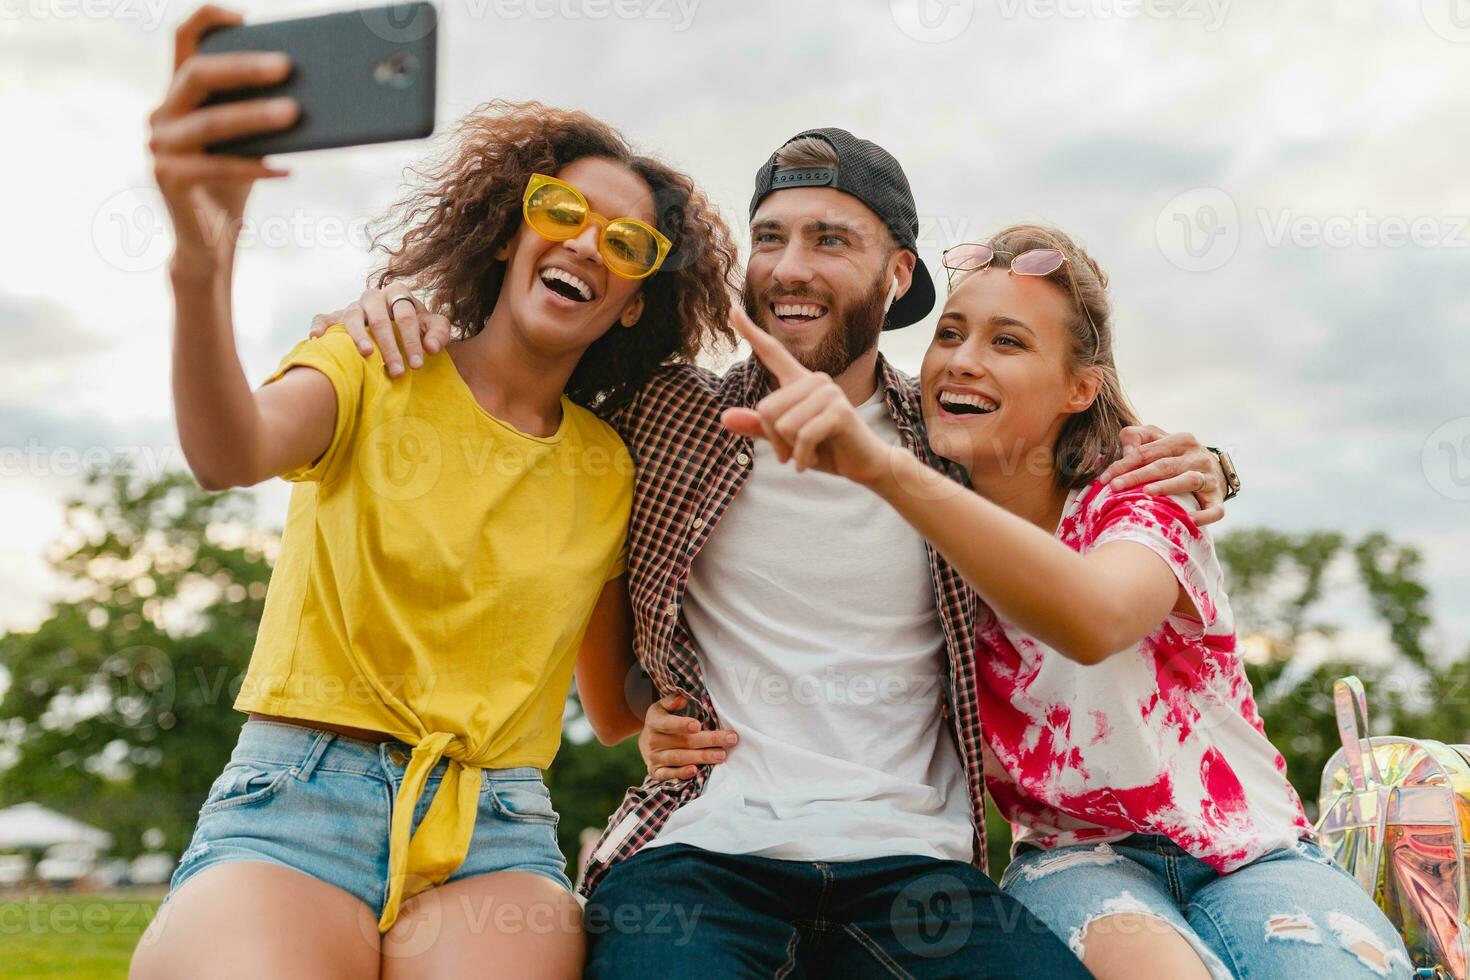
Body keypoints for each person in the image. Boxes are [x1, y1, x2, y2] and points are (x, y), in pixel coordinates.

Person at [317, 129, 1233, 977]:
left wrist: (1214, 464)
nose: (790, 269)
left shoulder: (955, 438)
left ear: (897, 271)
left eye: (831, 239)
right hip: (701, 860)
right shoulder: (664, 410)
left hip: (915, 869)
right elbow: (524, 353)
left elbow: (1080, 455)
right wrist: (400, 298)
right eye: (771, 236)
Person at [130, 7, 737, 978]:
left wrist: (674, 709)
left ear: (634, 300)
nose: (588, 246)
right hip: (297, 803)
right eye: (563, 213)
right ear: (510, 233)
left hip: (494, 829)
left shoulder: (607, 466)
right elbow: (227, 452)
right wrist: (202, 261)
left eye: (628, 245)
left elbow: (612, 704)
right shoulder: (371, 357)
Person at [695, 221, 1412, 978]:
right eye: (950, 334)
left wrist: (1215, 466)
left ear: (1080, 387)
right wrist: (664, 715)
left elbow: (1096, 618)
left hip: (1254, 850)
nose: (963, 362)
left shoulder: (1138, 498)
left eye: (1008, 342)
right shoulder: (913, 538)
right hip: (1073, 859)